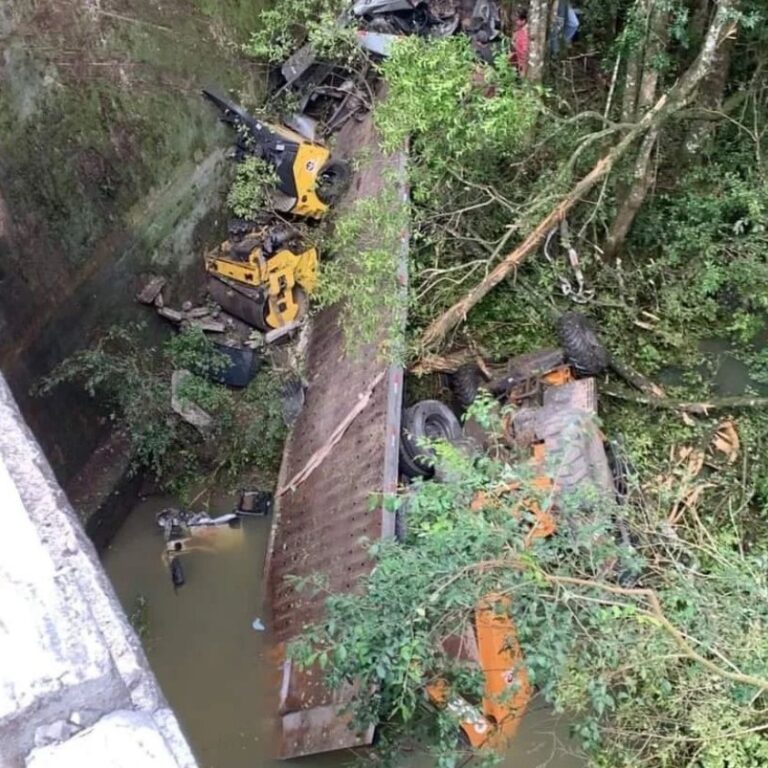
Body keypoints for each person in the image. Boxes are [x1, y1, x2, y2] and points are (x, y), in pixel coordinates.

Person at [509, 9, 530, 77]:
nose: (516, 22)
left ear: (523, 21)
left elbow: (525, 50)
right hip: (518, 61)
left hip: (524, 63)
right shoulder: (519, 31)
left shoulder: (525, 32)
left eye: (517, 20)